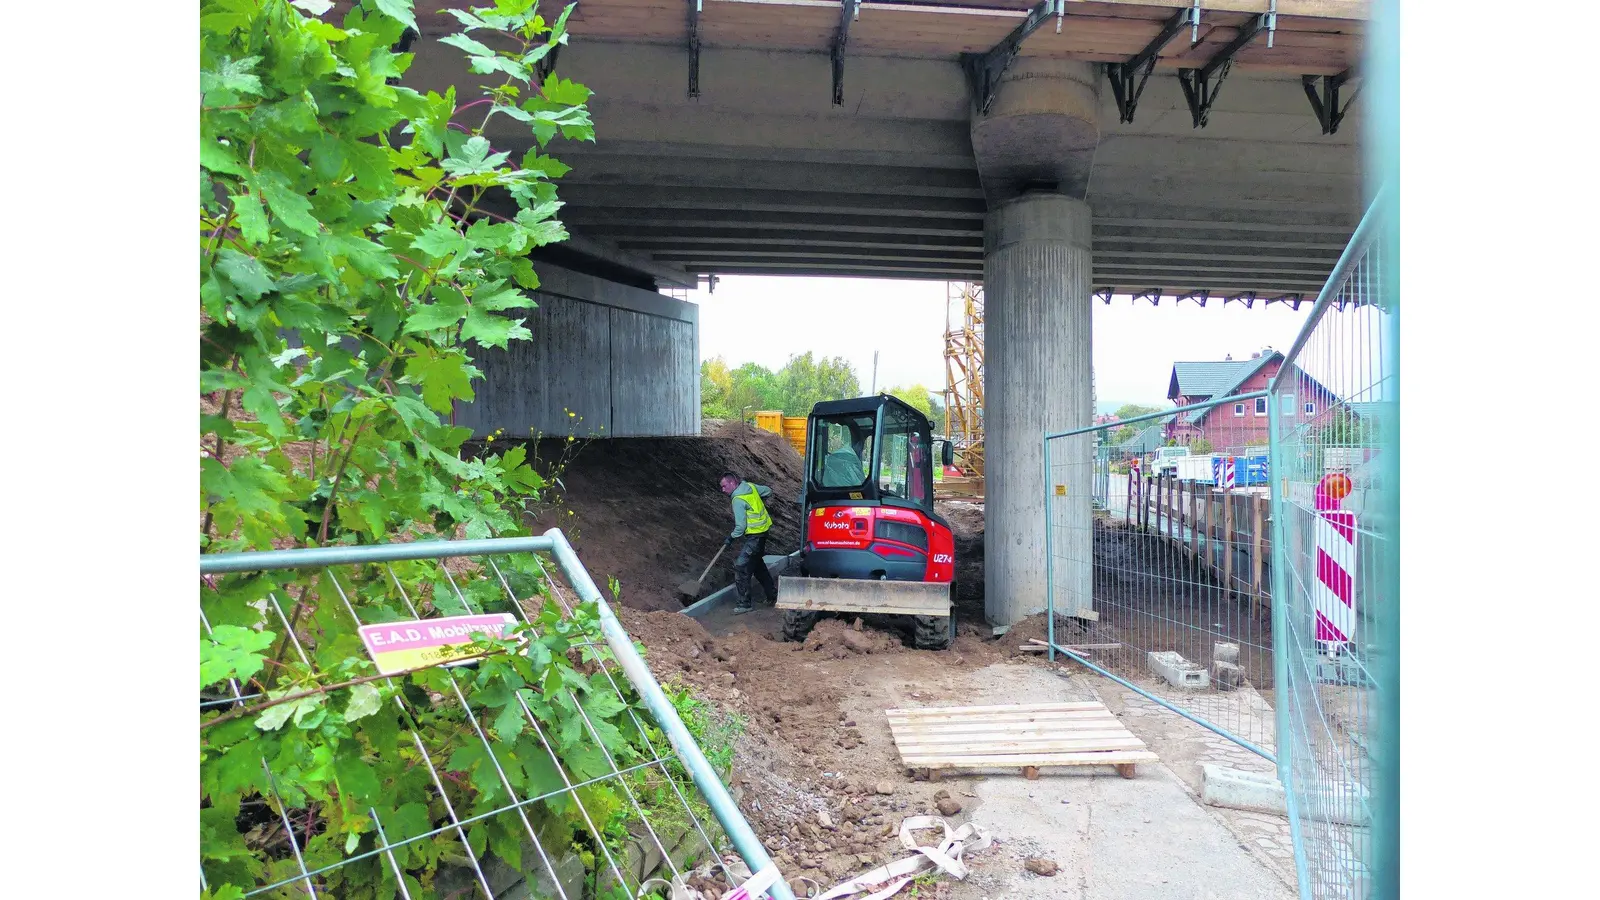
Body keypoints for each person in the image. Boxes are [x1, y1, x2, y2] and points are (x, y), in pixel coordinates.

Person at [720, 472, 778, 615]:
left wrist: (731, 538)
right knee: (758, 566)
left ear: (732, 483)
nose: (723, 490)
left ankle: (744, 603)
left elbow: (740, 527)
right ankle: (773, 596)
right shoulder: (750, 487)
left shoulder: (738, 500)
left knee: (741, 566)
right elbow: (768, 491)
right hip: (763, 532)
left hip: (755, 537)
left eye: (724, 486)